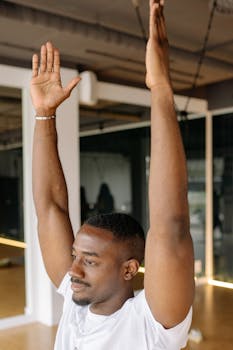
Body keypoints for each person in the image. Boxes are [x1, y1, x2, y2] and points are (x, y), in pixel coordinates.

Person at [31, 1, 194, 349]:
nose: (73, 269)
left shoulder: (153, 326)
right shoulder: (79, 299)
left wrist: (161, 89)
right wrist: (44, 115)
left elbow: (172, 223)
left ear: (129, 269)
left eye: (89, 261)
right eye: (77, 255)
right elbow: (50, 209)